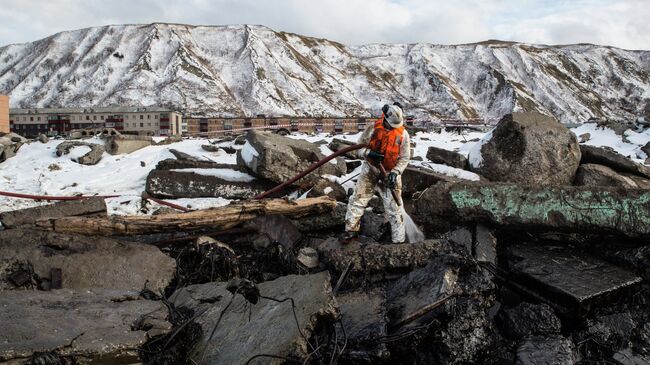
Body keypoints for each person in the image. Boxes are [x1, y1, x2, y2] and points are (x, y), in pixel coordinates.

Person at [343, 102, 411, 243]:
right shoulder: (372, 129)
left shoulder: (403, 135)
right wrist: (368, 153)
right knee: (358, 199)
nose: (393, 128)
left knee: (395, 209)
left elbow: (405, 157)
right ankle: (351, 231)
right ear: (385, 119)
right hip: (371, 169)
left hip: (390, 174)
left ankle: (398, 241)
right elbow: (358, 149)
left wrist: (395, 172)